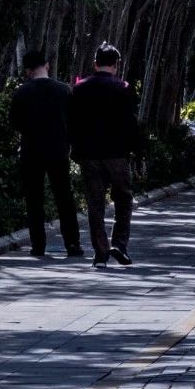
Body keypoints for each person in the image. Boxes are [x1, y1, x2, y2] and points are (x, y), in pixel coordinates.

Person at [70, 43, 141, 268]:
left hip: (89, 155)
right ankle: (119, 244)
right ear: (116, 65)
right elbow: (131, 124)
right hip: (117, 155)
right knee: (123, 199)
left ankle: (100, 254)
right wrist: (136, 150)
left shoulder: (79, 88)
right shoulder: (123, 88)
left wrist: (75, 149)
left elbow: (72, 123)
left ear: (95, 64)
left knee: (95, 203)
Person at [11, 51, 83, 261]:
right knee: (64, 197)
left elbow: (15, 123)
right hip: (58, 151)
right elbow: (74, 122)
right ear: (47, 65)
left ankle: (38, 245)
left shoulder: (21, 92)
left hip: (31, 152)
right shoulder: (64, 90)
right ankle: (72, 243)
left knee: (34, 199)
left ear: (27, 70)